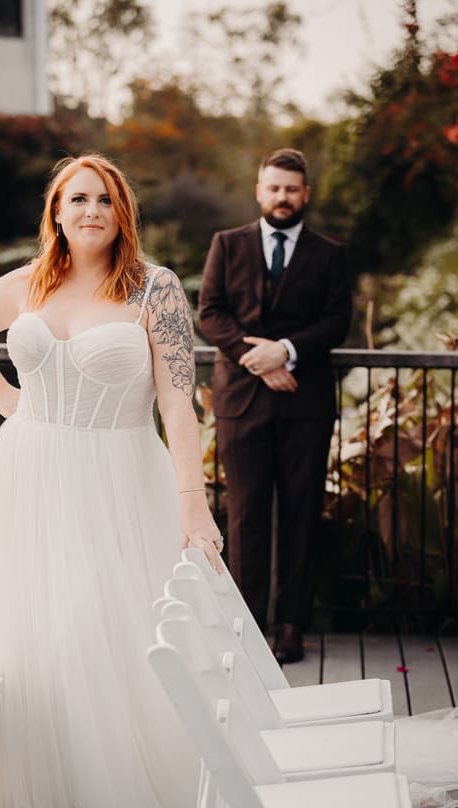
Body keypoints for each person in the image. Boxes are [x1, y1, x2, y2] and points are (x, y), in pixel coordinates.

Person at [0, 154, 223, 808]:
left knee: (113, 625)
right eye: (78, 198)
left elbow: (176, 403)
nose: (91, 209)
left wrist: (193, 504)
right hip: (27, 474)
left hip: (119, 474)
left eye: (105, 198)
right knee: (40, 630)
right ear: (57, 212)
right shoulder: (31, 282)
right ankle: (44, 793)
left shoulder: (153, 288)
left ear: (122, 210)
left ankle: (121, 795)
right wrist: (7, 402)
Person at [198, 148, 352, 664]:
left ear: (305, 194)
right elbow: (210, 314)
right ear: (259, 191)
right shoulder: (227, 243)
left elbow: (336, 322)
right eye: (274, 188)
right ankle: (245, 624)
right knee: (244, 514)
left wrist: (285, 351)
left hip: (305, 402)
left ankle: (290, 626)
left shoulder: (330, 254)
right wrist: (256, 357)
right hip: (242, 401)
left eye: (291, 189)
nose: (282, 197)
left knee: (302, 513)